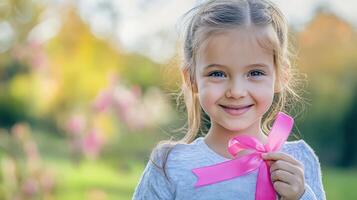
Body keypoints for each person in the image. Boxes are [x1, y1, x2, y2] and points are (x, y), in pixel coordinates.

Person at [133, 0, 326, 199]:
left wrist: (301, 196)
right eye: (217, 74)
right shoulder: (169, 165)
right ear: (191, 79)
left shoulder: (299, 161)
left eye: (255, 72)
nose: (236, 91)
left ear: (281, 76)